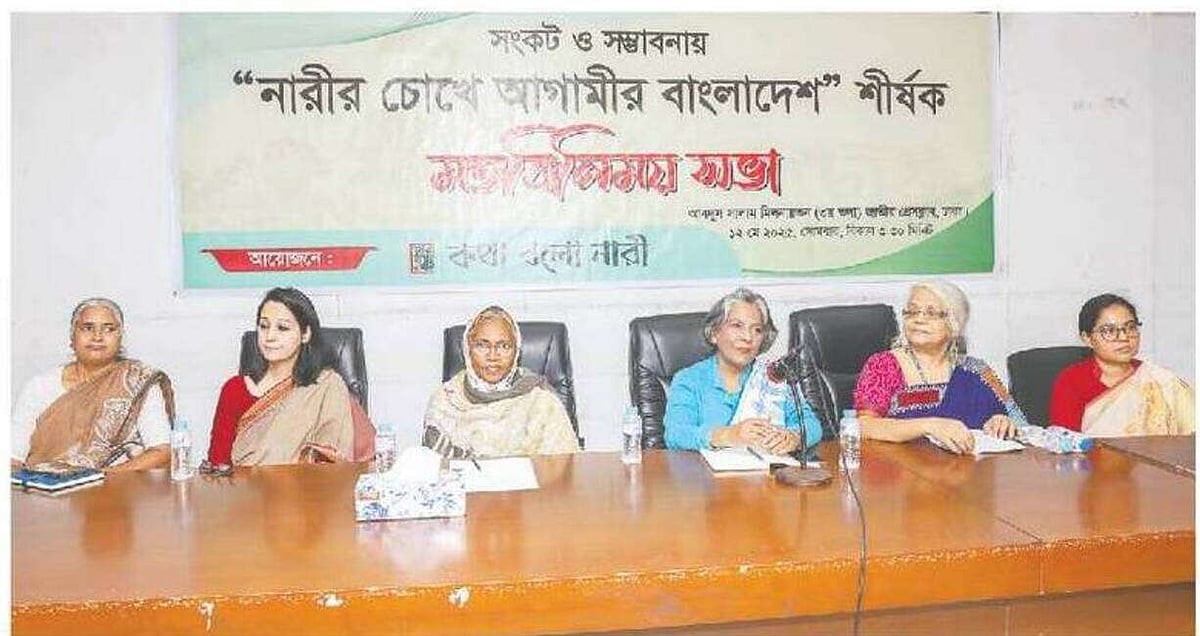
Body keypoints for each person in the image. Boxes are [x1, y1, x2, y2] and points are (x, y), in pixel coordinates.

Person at [205, 287, 373, 467]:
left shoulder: (327, 385)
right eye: (263, 326)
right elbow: (218, 465)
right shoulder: (235, 390)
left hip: (313, 492)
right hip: (246, 493)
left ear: (305, 334)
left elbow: (347, 458)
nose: (270, 336)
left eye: (282, 328)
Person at [854, 281, 1026, 454]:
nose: (919, 319)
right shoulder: (884, 366)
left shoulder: (978, 370)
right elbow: (865, 426)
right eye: (912, 311)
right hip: (904, 474)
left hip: (969, 474)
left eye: (931, 313)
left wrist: (1003, 421)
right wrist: (929, 425)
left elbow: (1021, 422)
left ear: (954, 324)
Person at [12, 297, 174, 471]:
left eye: (109, 329)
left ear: (120, 338)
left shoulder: (138, 382)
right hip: (48, 489)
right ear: (72, 337)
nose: (97, 337)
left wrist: (101, 477)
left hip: (118, 489)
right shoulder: (40, 386)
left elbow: (162, 453)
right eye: (87, 328)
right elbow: (12, 455)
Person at [663, 288, 822, 454]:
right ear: (714, 333)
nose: (747, 337)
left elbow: (811, 424)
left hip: (769, 477)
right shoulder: (689, 379)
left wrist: (794, 437)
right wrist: (728, 435)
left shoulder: (773, 376)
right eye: (737, 326)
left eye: (757, 330)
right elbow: (675, 435)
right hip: (706, 477)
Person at [423, 306, 579, 457]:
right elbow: (433, 470)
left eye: (504, 346)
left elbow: (564, 469)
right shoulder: (445, 400)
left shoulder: (542, 404)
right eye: (482, 345)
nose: (493, 356)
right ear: (467, 349)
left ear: (516, 350)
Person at [1048, 293, 1193, 436]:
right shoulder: (1072, 381)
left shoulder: (1158, 379)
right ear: (1087, 338)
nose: (1124, 337)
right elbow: (1064, 445)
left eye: (1130, 327)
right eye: (1109, 331)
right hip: (1093, 459)